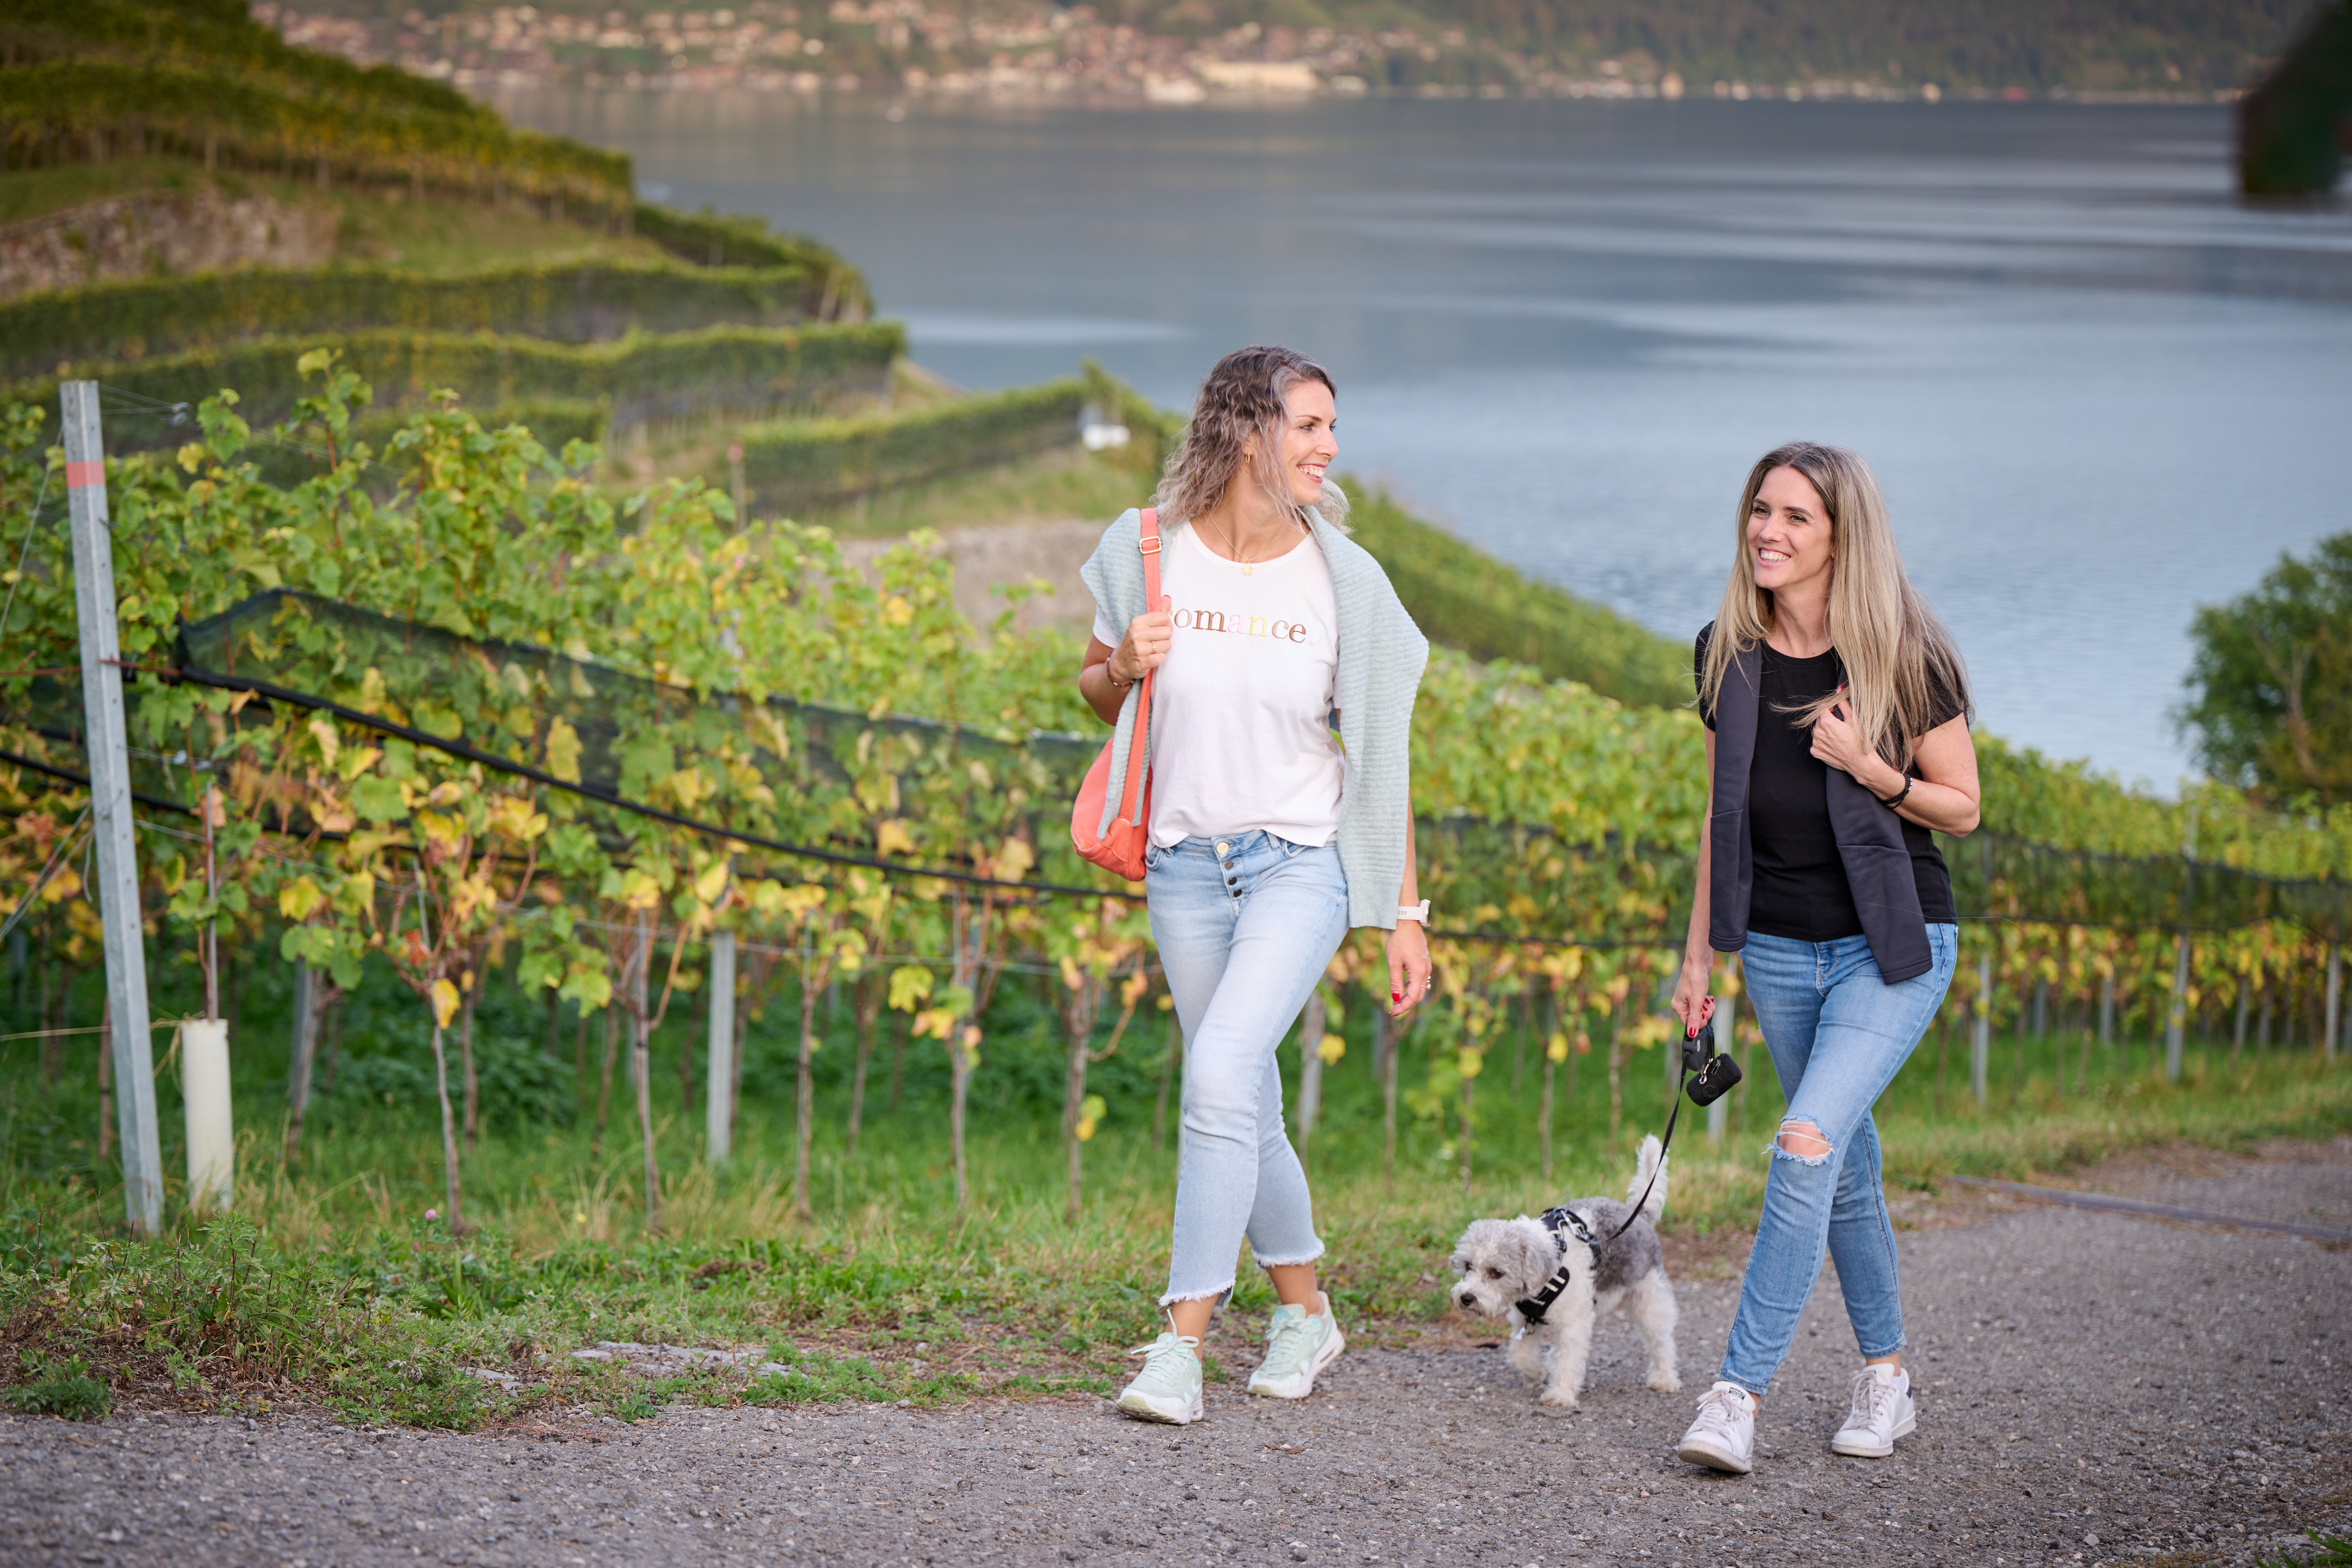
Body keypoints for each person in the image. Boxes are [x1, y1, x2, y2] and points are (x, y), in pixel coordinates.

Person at [1077, 345, 1432, 1425]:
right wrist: (1124, 666)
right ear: (1248, 434)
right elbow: (1097, 693)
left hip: (1300, 862)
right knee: (1242, 1093)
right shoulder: (1146, 550)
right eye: (1311, 426)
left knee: (1221, 1068)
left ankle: (1180, 1344)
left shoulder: (1348, 583)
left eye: (1332, 426)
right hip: (1183, 865)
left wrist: (1403, 911)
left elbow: (1382, 759)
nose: (1330, 447)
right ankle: (1307, 1312)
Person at [1668, 441, 1982, 1475]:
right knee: (1841, 1172)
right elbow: (1722, 818)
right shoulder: (1727, 652)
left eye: (1797, 516)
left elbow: (1964, 808)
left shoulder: (1901, 652)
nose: (1770, 530)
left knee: (1803, 1146)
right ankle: (1887, 1381)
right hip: (1775, 952)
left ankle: (1735, 1396)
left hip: (1893, 949)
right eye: (1763, 509)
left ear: (1842, 535)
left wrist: (1872, 768)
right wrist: (1698, 960)